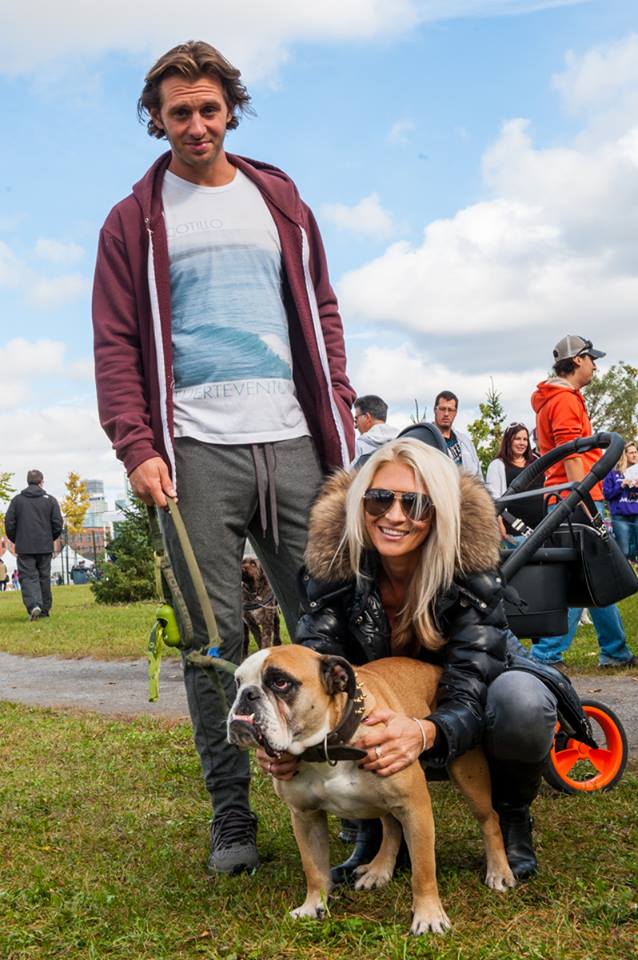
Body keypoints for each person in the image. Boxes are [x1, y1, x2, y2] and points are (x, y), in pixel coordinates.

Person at [92, 40, 355, 876]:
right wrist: (137, 445)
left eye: (209, 109)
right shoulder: (133, 219)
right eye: (179, 113)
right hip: (192, 450)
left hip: (293, 439)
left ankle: (346, 796)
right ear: (157, 120)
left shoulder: (278, 198)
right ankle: (234, 816)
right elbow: (116, 343)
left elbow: (320, 307)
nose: (197, 125)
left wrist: (338, 408)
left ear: (230, 110)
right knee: (210, 641)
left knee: (327, 619)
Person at [259, 438, 558, 882]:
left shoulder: (470, 569)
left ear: (437, 510)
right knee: (353, 708)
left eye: (415, 504)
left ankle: (507, 818)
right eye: (379, 499)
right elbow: (315, 667)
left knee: (523, 703)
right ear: (361, 504)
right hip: (379, 700)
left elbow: (472, 681)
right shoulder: (335, 567)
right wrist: (281, 739)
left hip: (465, 692)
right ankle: (374, 830)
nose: (394, 516)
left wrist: (426, 730)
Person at [530, 335, 636, 670]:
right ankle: (545, 655)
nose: (595, 366)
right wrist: (582, 497)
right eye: (592, 360)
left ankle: (615, 650)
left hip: (568, 497)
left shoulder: (560, 397)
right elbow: (571, 451)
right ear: (577, 360)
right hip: (573, 497)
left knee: (597, 572)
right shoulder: (563, 400)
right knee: (580, 577)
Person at [4, 470, 63, 620]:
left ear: (27, 482)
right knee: (44, 577)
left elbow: (9, 524)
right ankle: (44, 610)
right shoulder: (50, 500)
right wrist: (50, 538)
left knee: (28, 577)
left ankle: (33, 605)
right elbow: (57, 524)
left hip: (25, 546)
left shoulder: (17, 501)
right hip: (44, 546)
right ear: (41, 482)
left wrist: (17, 539)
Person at [485, 423, 545, 547]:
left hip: (543, 531)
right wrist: (499, 525)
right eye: (517, 439)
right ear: (509, 440)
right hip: (516, 533)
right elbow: (494, 499)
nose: (522, 443)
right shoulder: (497, 465)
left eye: (525, 439)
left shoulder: (537, 461)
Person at [603, 440, 638, 564]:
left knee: (636, 551)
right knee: (624, 552)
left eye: (636, 452)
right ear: (624, 455)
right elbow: (607, 495)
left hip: (637, 515)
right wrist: (621, 485)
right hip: (620, 517)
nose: (634, 455)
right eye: (631, 453)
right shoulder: (613, 474)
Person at [433, 391, 482, 477]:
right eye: (443, 409)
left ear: (455, 413)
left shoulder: (465, 442)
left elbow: (478, 475)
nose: (446, 414)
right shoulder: (426, 439)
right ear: (435, 410)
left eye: (450, 410)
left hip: (467, 489)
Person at [351, 394, 398, 469]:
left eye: (356, 419)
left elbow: (349, 477)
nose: (356, 426)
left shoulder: (359, 446)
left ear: (367, 417)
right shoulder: (402, 441)